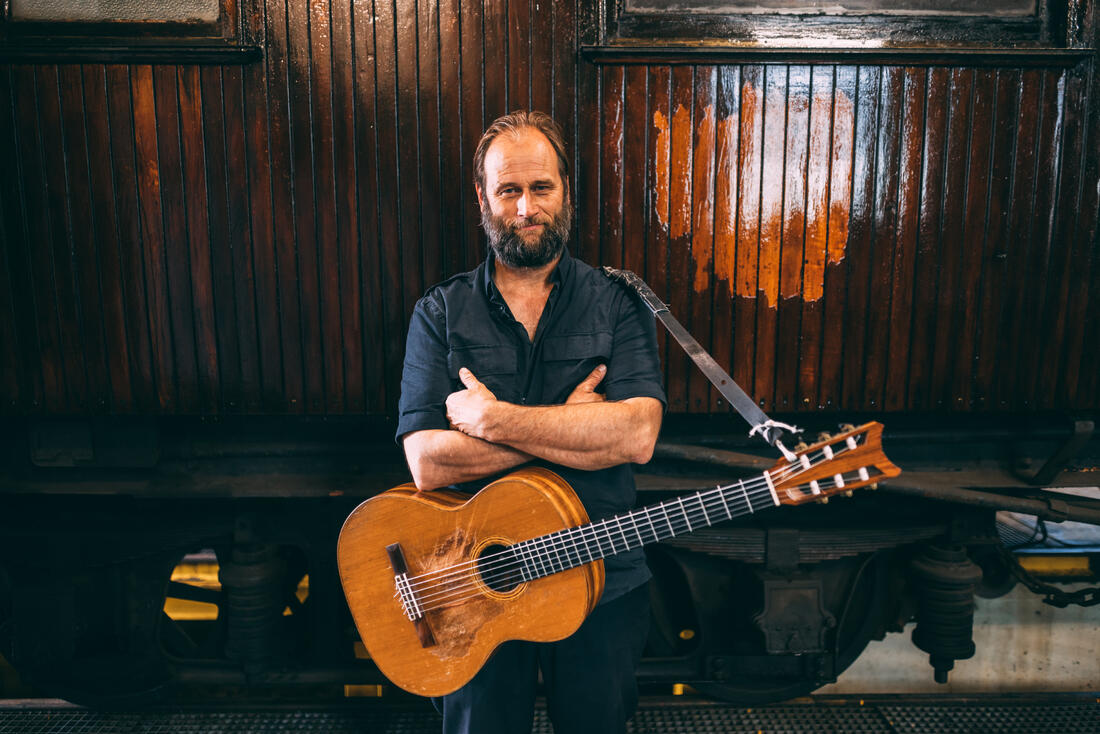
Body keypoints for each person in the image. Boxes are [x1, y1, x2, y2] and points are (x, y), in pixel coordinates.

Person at [395, 110, 666, 734]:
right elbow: (428, 461)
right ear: (483, 198)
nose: (525, 209)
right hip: (474, 580)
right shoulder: (440, 313)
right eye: (508, 190)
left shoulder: (619, 303)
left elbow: (637, 435)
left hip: (602, 575)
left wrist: (494, 421)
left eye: (540, 188)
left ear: (565, 190)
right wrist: (566, 432)